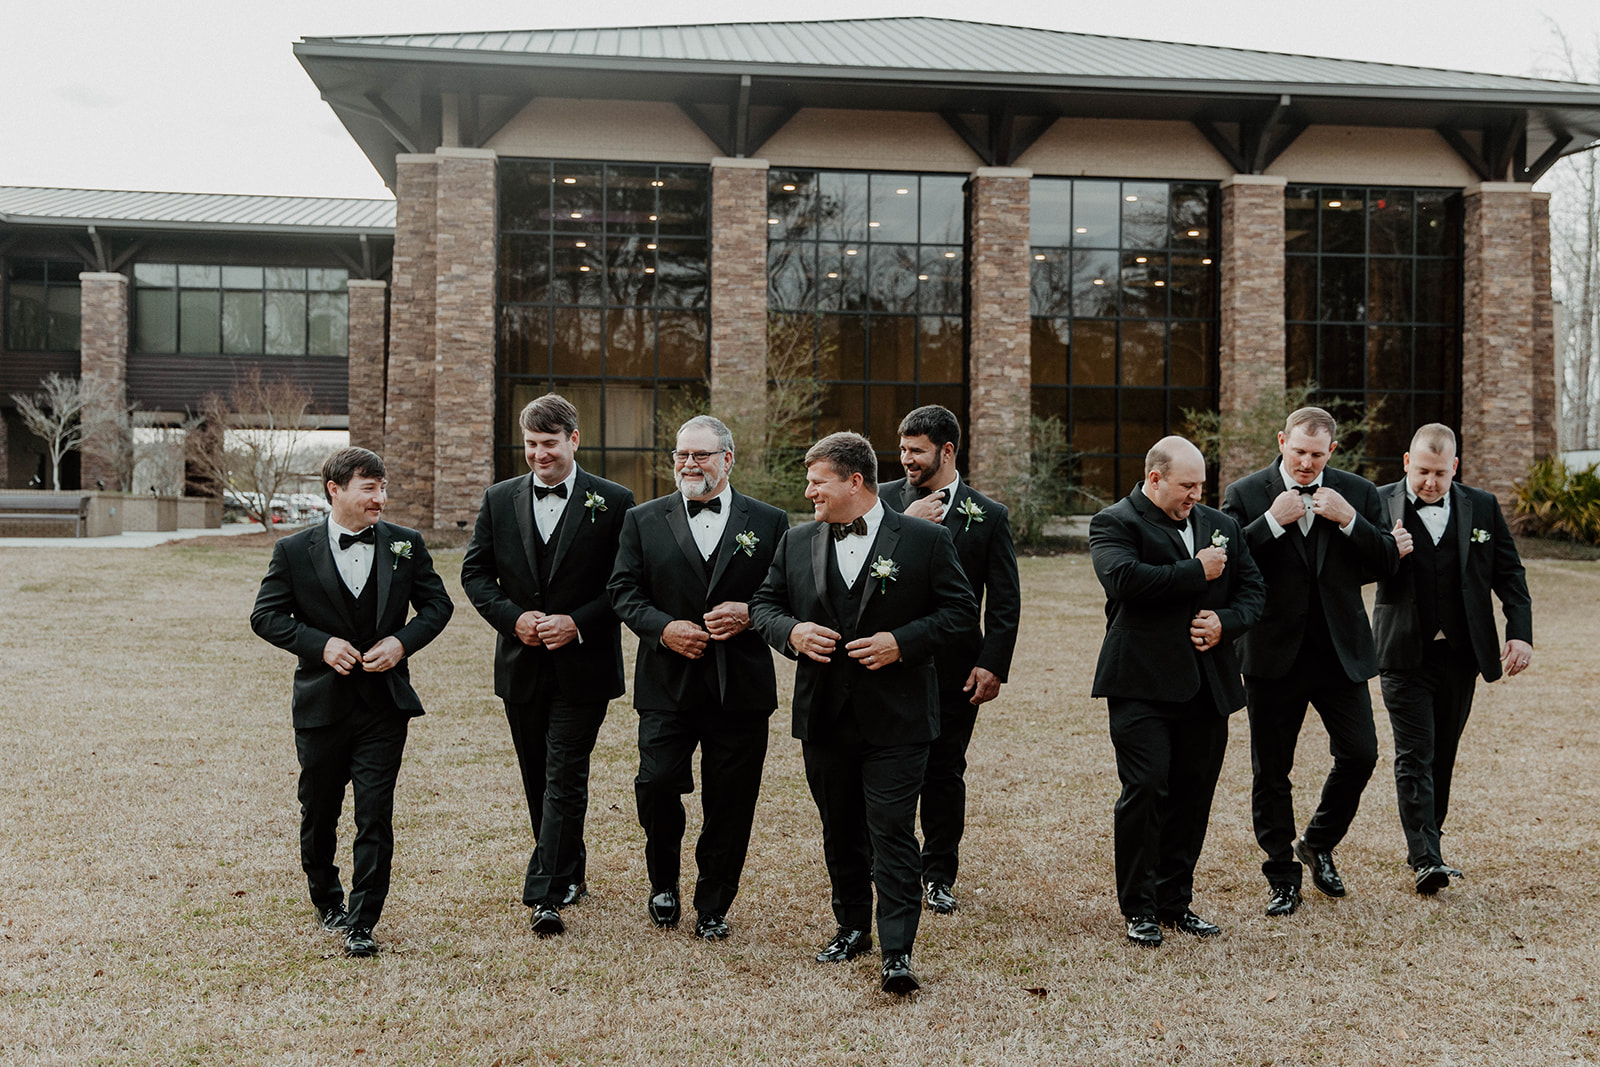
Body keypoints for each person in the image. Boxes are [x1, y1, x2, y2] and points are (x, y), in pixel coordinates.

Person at [750, 431, 978, 995]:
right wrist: (792, 631)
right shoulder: (796, 540)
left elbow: (960, 613)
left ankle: (897, 951)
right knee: (841, 828)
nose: (808, 493)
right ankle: (851, 927)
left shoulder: (924, 540)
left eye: (817, 482)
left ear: (855, 481)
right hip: (824, 714)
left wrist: (902, 641)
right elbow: (763, 605)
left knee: (893, 831)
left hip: (899, 717)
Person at [250, 446, 454, 958]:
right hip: (322, 705)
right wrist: (320, 645)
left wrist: (401, 642)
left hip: (384, 705)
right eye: (369, 488)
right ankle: (327, 897)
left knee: (374, 814)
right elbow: (266, 616)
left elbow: (438, 605)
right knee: (319, 809)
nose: (380, 499)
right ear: (334, 490)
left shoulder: (406, 544)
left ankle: (363, 921)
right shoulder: (293, 550)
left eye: (383, 488)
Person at [607, 415, 790, 940]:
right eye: (682, 455)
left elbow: (787, 592)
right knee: (657, 783)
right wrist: (663, 629)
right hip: (668, 680)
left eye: (701, 455)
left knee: (730, 801)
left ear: (727, 460)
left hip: (742, 687)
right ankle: (663, 881)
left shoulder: (771, 521)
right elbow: (622, 590)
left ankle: (713, 903)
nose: (689, 464)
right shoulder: (643, 519)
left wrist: (750, 613)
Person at [460, 394, 635, 936]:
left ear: (573, 441)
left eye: (549, 443)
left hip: (584, 665)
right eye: (531, 444)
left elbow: (625, 584)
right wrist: (513, 618)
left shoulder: (614, 500)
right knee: (538, 775)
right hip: (521, 663)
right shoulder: (499, 498)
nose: (538, 454)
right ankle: (571, 869)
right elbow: (475, 574)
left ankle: (545, 892)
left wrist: (577, 622)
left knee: (565, 773)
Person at [1221, 407, 1398, 915]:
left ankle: (1318, 842)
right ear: (1282, 441)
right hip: (1271, 653)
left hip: (1339, 652)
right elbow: (1228, 563)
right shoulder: (1245, 493)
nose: (1305, 463)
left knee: (1361, 753)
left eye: (1316, 455)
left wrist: (1350, 521)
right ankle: (1282, 874)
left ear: (1331, 453)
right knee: (1272, 771)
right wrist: (1272, 523)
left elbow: (1387, 561)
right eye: (1298, 451)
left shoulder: (1358, 494)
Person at [1090, 436, 1265, 945]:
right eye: (1187, 485)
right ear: (1154, 479)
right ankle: (1139, 909)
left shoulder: (1222, 526)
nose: (1196, 494)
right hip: (1140, 681)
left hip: (1207, 685)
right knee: (1146, 789)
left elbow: (1254, 592)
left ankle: (1175, 902)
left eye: (1201, 485)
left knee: (1193, 795)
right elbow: (1124, 580)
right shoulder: (1114, 522)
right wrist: (1197, 571)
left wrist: (1225, 623)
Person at [1374, 423, 1533, 894]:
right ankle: (1425, 858)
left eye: (1440, 474)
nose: (1430, 482)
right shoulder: (1378, 503)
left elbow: (1510, 572)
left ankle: (1431, 846)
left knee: (1443, 752)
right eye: (1422, 471)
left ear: (1455, 468)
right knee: (1415, 753)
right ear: (1407, 462)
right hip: (1403, 651)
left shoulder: (1480, 505)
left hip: (1462, 653)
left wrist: (1519, 634)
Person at [879, 404, 1020, 915]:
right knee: (891, 770)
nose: (906, 460)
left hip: (956, 669)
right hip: (890, 662)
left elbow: (1004, 600)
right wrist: (901, 523)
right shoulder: (884, 502)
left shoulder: (989, 515)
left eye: (916, 451)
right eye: (902, 450)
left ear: (947, 450)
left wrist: (993, 663)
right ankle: (887, 866)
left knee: (944, 772)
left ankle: (938, 874)